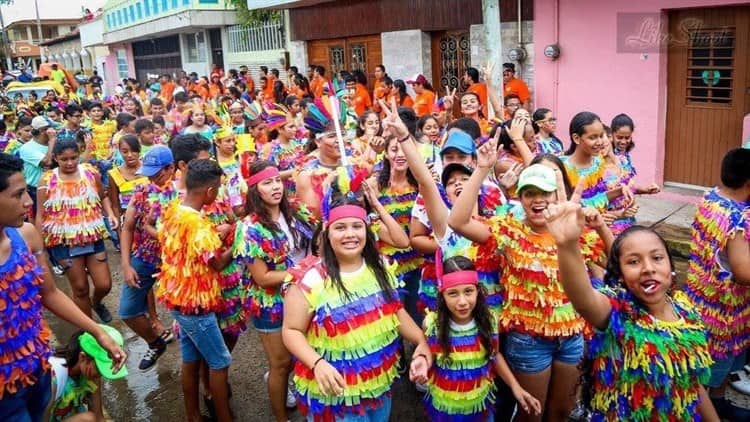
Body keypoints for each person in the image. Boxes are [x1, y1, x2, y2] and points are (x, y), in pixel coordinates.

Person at [448, 135, 612, 422]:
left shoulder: (575, 229)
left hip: (572, 337)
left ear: (556, 195)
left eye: (545, 192)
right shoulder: (508, 231)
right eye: (529, 193)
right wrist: (482, 169)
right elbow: (458, 222)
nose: (538, 200)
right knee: (530, 414)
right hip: (528, 341)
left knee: (560, 413)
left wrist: (600, 228)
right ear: (519, 198)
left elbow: (616, 264)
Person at [548, 202, 719, 420]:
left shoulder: (686, 310)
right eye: (634, 262)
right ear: (620, 275)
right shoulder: (618, 312)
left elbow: (690, 381)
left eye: (657, 258)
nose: (648, 268)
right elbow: (583, 299)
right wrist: (567, 245)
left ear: (671, 267)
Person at [282, 183, 432, 421]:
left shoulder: (381, 267)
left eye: (356, 226)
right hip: (335, 392)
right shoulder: (309, 278)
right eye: (340, 227)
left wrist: (420, 340)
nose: (350, 234)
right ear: (327, 232)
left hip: (378, 383)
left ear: (366, 230)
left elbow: (395, 312)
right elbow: (291, 331)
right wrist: (317, 364)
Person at [0, 152, 126, 421]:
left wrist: (98, 333)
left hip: (38, 371)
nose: (27, 202)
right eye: (18, 194)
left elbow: (50, 293)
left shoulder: (27, 236)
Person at [234, 161, 316, 422]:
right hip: (272, 304)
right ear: (255, 190)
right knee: (281, 364)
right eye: (267, 183)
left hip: (305, 295)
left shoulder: (295, 210)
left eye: (277, 181)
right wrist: (303, 272)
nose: (275, 187)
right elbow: (263, 277)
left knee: (303, 355)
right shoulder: (248, 228)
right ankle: (281, 417)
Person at [155, 158, 234, 422]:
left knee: (190, 359)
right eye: (218, 189)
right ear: (210, 192)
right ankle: (224, 416)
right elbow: (218, 263)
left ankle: (193, 415)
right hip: (195, 306)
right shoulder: (198, 224)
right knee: (220, 361)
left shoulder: (176, 209)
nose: (219, 193)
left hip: (179, 300)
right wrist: (241, 238)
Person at [416, 255, 541, 420]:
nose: (462, 301)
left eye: (468, 291)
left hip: (480, 408)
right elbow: (428, 353)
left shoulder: (490, 320)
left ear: (477, 290)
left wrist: (515, 387)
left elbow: (494, 355)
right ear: (442, 295)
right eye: (453, 293)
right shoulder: (432, 324)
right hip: (445, 409)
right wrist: (423, 363)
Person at [685, 148, 750, 420]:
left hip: (702, 298)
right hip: (723, 312)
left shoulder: (711, 198)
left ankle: (720, 400)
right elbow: (744, 273)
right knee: (718, 362)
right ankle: (710, 407)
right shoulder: (738, 221)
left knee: (718, 360)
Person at [36, 139, 117, 322]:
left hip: (92, 236)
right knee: (80, 288)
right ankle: (89, 331)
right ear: (56, 158)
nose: (70, 163)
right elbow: (41, 214)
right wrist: (38, 244)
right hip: (63, 242)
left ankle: (96, 302)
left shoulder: (89, 172)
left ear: (79, 155)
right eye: (64, 159)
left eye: (74, 158)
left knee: (104, 284)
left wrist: (110, 214)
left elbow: (102, 196)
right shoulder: (47, 180)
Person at [119, 145, 178, 370]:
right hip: (144, 257)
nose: (152, 178)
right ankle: (155, 343)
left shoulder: (184, 193)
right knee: (128, 310)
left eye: (157, 173)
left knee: (185, 316)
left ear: (171, 168)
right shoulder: (142, 191)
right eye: (149, 173)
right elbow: (128, 228)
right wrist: (125, 265)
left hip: (175, 264)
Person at [45, 326, 127, 421]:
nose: (100, 375)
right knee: (88, 418)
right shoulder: (54, 378)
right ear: (83, 357)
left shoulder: (90, 373)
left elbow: (98, 417)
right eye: (99, 369)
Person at [609, 114, 660, 195]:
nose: (623, 142)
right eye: (619, 137)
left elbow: (627, 186)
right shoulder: (606, 157)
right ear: (611, 134)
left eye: (627, 137)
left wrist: (646, 190)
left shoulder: (626, 156)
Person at [18, 116, 57, 216]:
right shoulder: (27, 148)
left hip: (54, 187)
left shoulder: (54, 144)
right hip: (35, 190)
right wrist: (52, 141)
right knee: (39, 217)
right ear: (42, 131)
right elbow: (47, 162)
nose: (53, 131)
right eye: (50, 128)